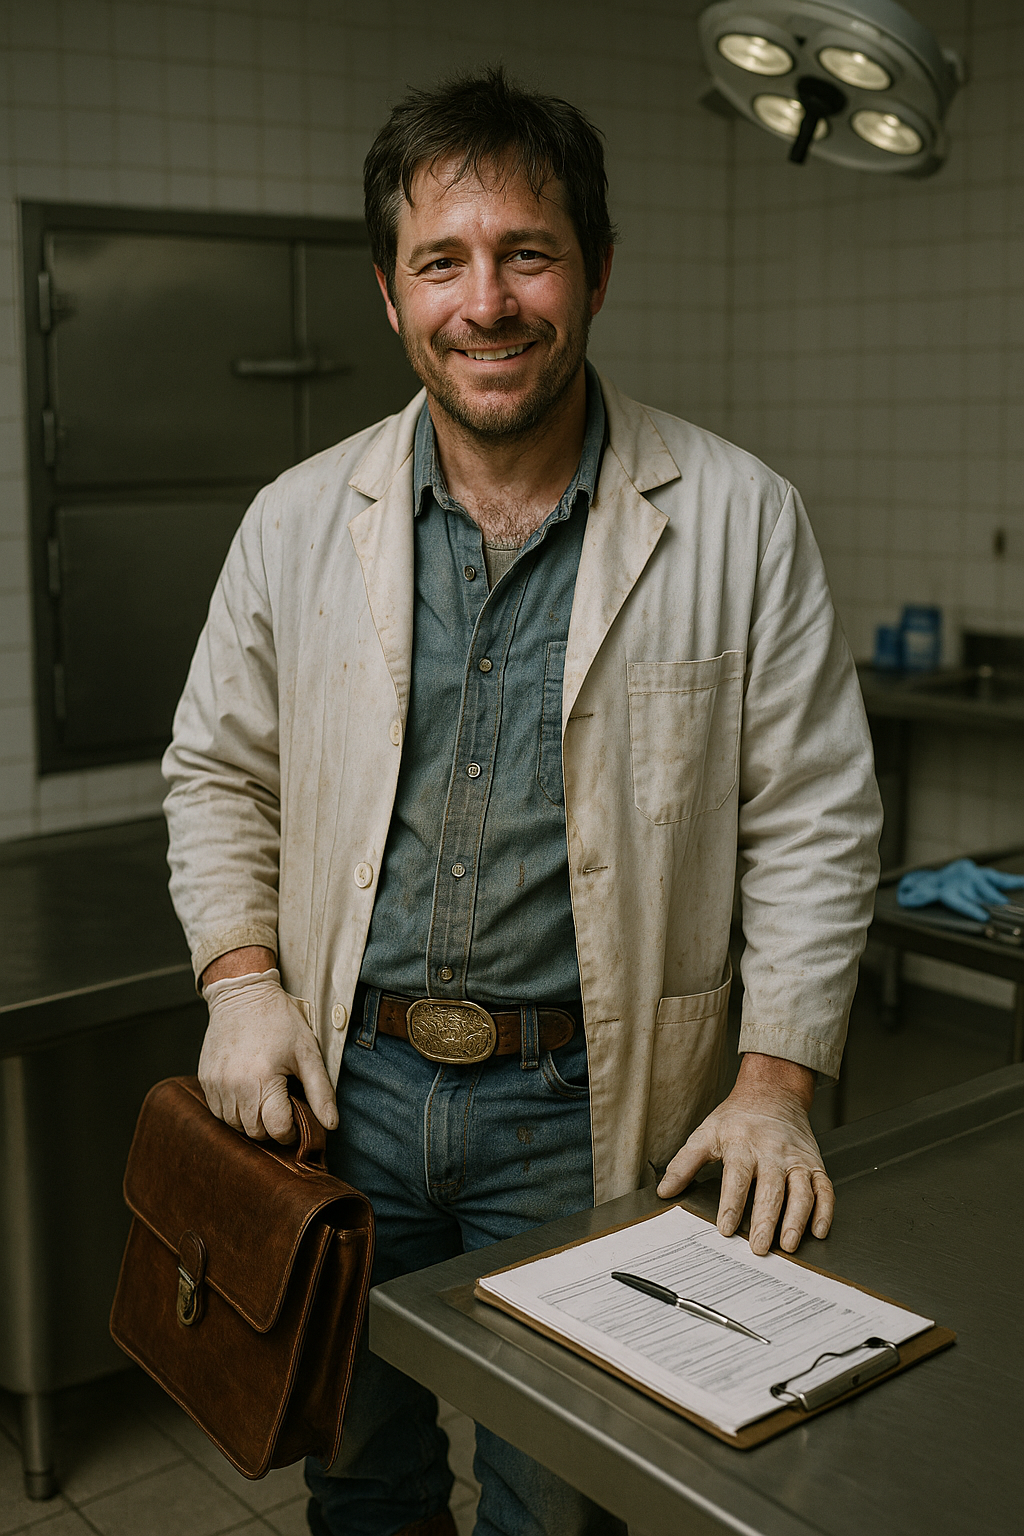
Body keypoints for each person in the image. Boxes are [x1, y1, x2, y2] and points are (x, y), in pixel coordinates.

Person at [163, 67, 881, 1536]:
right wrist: (240, 982)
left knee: (567, 1494)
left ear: (598, 273)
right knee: (358, 1470)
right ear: (390, 294)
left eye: (526, 253)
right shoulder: (298, 521)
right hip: (343, 1096)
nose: (485, 300)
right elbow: (217, 769)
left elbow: (813, 815)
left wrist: (774, 1084)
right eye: (442, 261)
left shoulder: (740, 516)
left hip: (586, 1108)